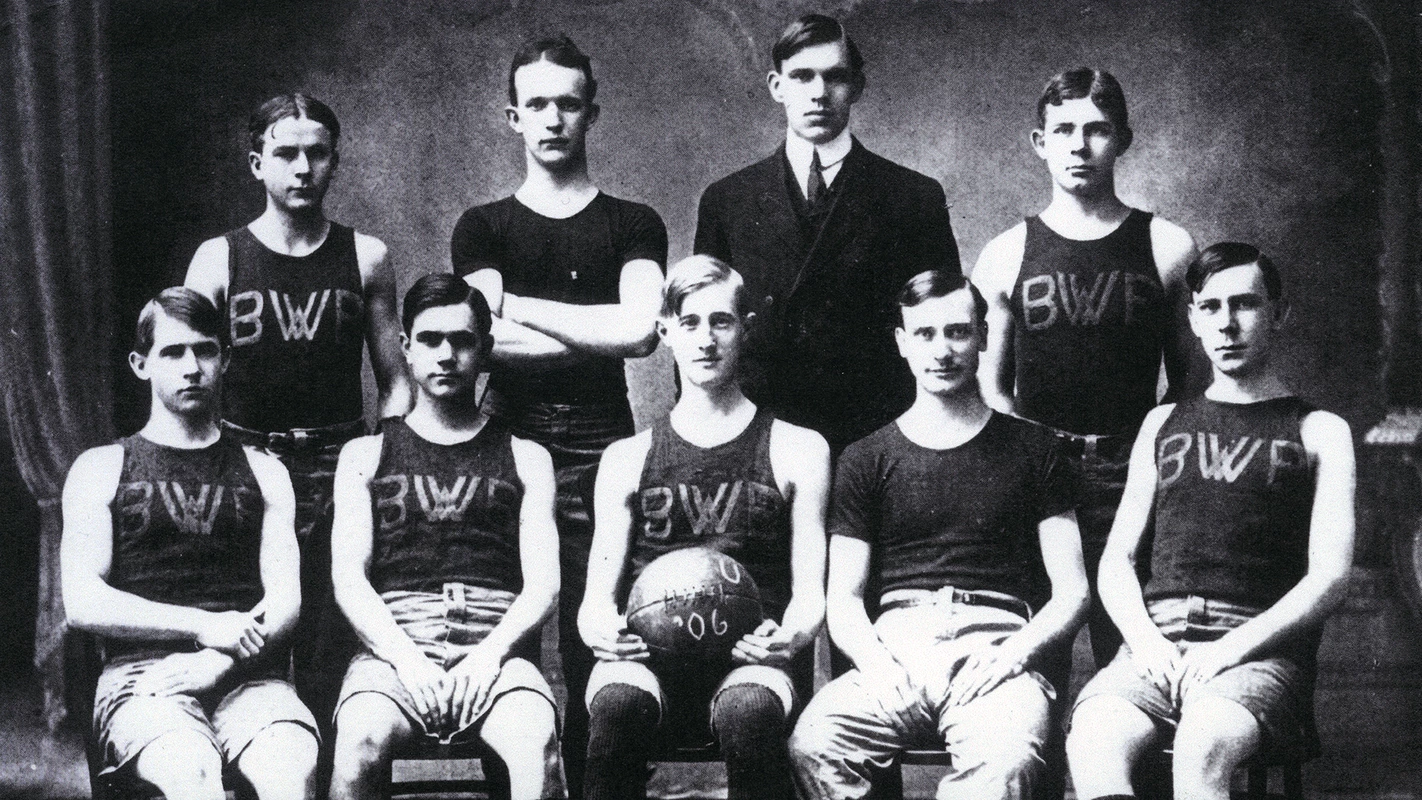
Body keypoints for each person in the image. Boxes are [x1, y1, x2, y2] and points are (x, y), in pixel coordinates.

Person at [451, 35, 668, 795]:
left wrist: (517, 305)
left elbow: (641, 330)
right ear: (512, 116)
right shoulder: (483, 225)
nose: (552, 118)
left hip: (599, 452)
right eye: (536, 104)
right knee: (499, 640)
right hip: (502, 449)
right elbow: (483, 341)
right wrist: (586, 327)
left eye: (567, 103)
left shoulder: (633, 222)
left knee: (599, 642)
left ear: (591, 113)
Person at [1066, 243, 1355, 800]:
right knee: (1094, 739)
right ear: (1194, 318)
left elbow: (1330, 578)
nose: (1227, 324)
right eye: (1211, 307)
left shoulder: (1321, 430)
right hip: (1157, 642)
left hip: (1257, 647)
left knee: (1203, 743)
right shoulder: (1162, 422)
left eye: (1245, 304)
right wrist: (1145, 642)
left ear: (1279, 312)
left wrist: (1230, 649)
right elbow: (1118, 559)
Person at [789, 270, 1089, 800]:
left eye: (958, 332)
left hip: (994, 644)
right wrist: (881, 667)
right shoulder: (866, 457)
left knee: (1008, 757)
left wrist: (1015, 653)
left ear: (984, 337)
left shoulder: (1036, 450)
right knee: (816, 742)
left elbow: (1074, 592)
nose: (943, 350)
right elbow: (845, 599)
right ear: (902, 344)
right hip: (897, 644)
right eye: (925, 334)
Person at [184, 93, 412, 729]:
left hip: (338, 467)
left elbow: (395, 381)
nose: (303, 167)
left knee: (328, 647)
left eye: (317, 154)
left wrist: (380, 458)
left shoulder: (366, 255)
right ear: (258, 163)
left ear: (336, 162)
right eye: (286, 153)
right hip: (244, 467)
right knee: (250, 644)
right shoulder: (219, 257)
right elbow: (188, 368)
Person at [577, 256, 829, 800]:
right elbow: (594, 601)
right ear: (666, 332)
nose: (706, 339)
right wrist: (598, 627)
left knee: (749, 711)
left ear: (746, 329)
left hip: (751, 660)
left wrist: (791, 634)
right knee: (616, 707)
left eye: (721, 321)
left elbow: (811, 596)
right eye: (689, 323)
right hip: (649, 660)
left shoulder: (799, 449)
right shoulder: (626, 457)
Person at [972, 68, 1198, 666]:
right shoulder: (1003, 254)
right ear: (1039, 142)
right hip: (1039, 476)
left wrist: (1149, 459)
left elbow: (1190, 384)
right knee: (1035, 664)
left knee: (1128, 661)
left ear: (1122, 139)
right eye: (1064, 129)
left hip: (1133, 474)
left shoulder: (1168, 246)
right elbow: (993, 391)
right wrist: (1027, 466)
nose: (1079, 145)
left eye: (1096, 130)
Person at [60, 287, 317, 800]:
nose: (191, 367)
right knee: (191, 773)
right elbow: (82, 601)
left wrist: (219, 660)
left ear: (224, 359)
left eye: (205, 350)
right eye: (173, 352)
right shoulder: (101, 468)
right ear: (141, 364)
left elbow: (286, 598)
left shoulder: (266, 472)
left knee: (291, 770)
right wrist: (204, 625)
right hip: (145, 678)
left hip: (247, 672)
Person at [328, 274, 564, 800]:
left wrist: (490, 655)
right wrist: (406, 659)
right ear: (406, 350)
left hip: (494, 646)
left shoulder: (528, 457)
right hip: (393, 645)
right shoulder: (364, 457)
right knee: (361, 735)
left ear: (485, 352)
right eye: (430, 340)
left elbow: (544, 584)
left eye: (462, 340)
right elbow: (349, 578)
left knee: (535, 737)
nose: (445, 354)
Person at [694, 13, 960, 454]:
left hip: (874, 439)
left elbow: (944, 327)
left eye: (834, 77)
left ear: (856, 87)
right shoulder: (728, 200)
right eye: (802, 77)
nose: (819, 93)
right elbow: (699, 327)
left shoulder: (913, 197)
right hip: (761, 439)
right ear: (777, 87)